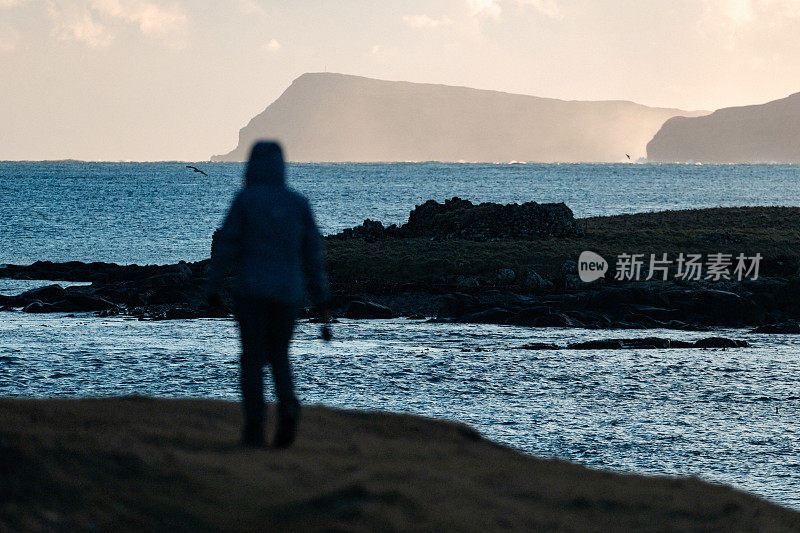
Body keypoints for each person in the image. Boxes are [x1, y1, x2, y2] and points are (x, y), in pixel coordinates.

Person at [206, 141, 330, 448]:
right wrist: (323, 300)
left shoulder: (245, 200)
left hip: (251, 291)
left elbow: (226, 248)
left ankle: (254, 426)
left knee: (251, 359)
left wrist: (212, 288)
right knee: (279, 357)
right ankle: (288, 406)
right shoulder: (298, 204)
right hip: (288, 294)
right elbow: (313, 256)